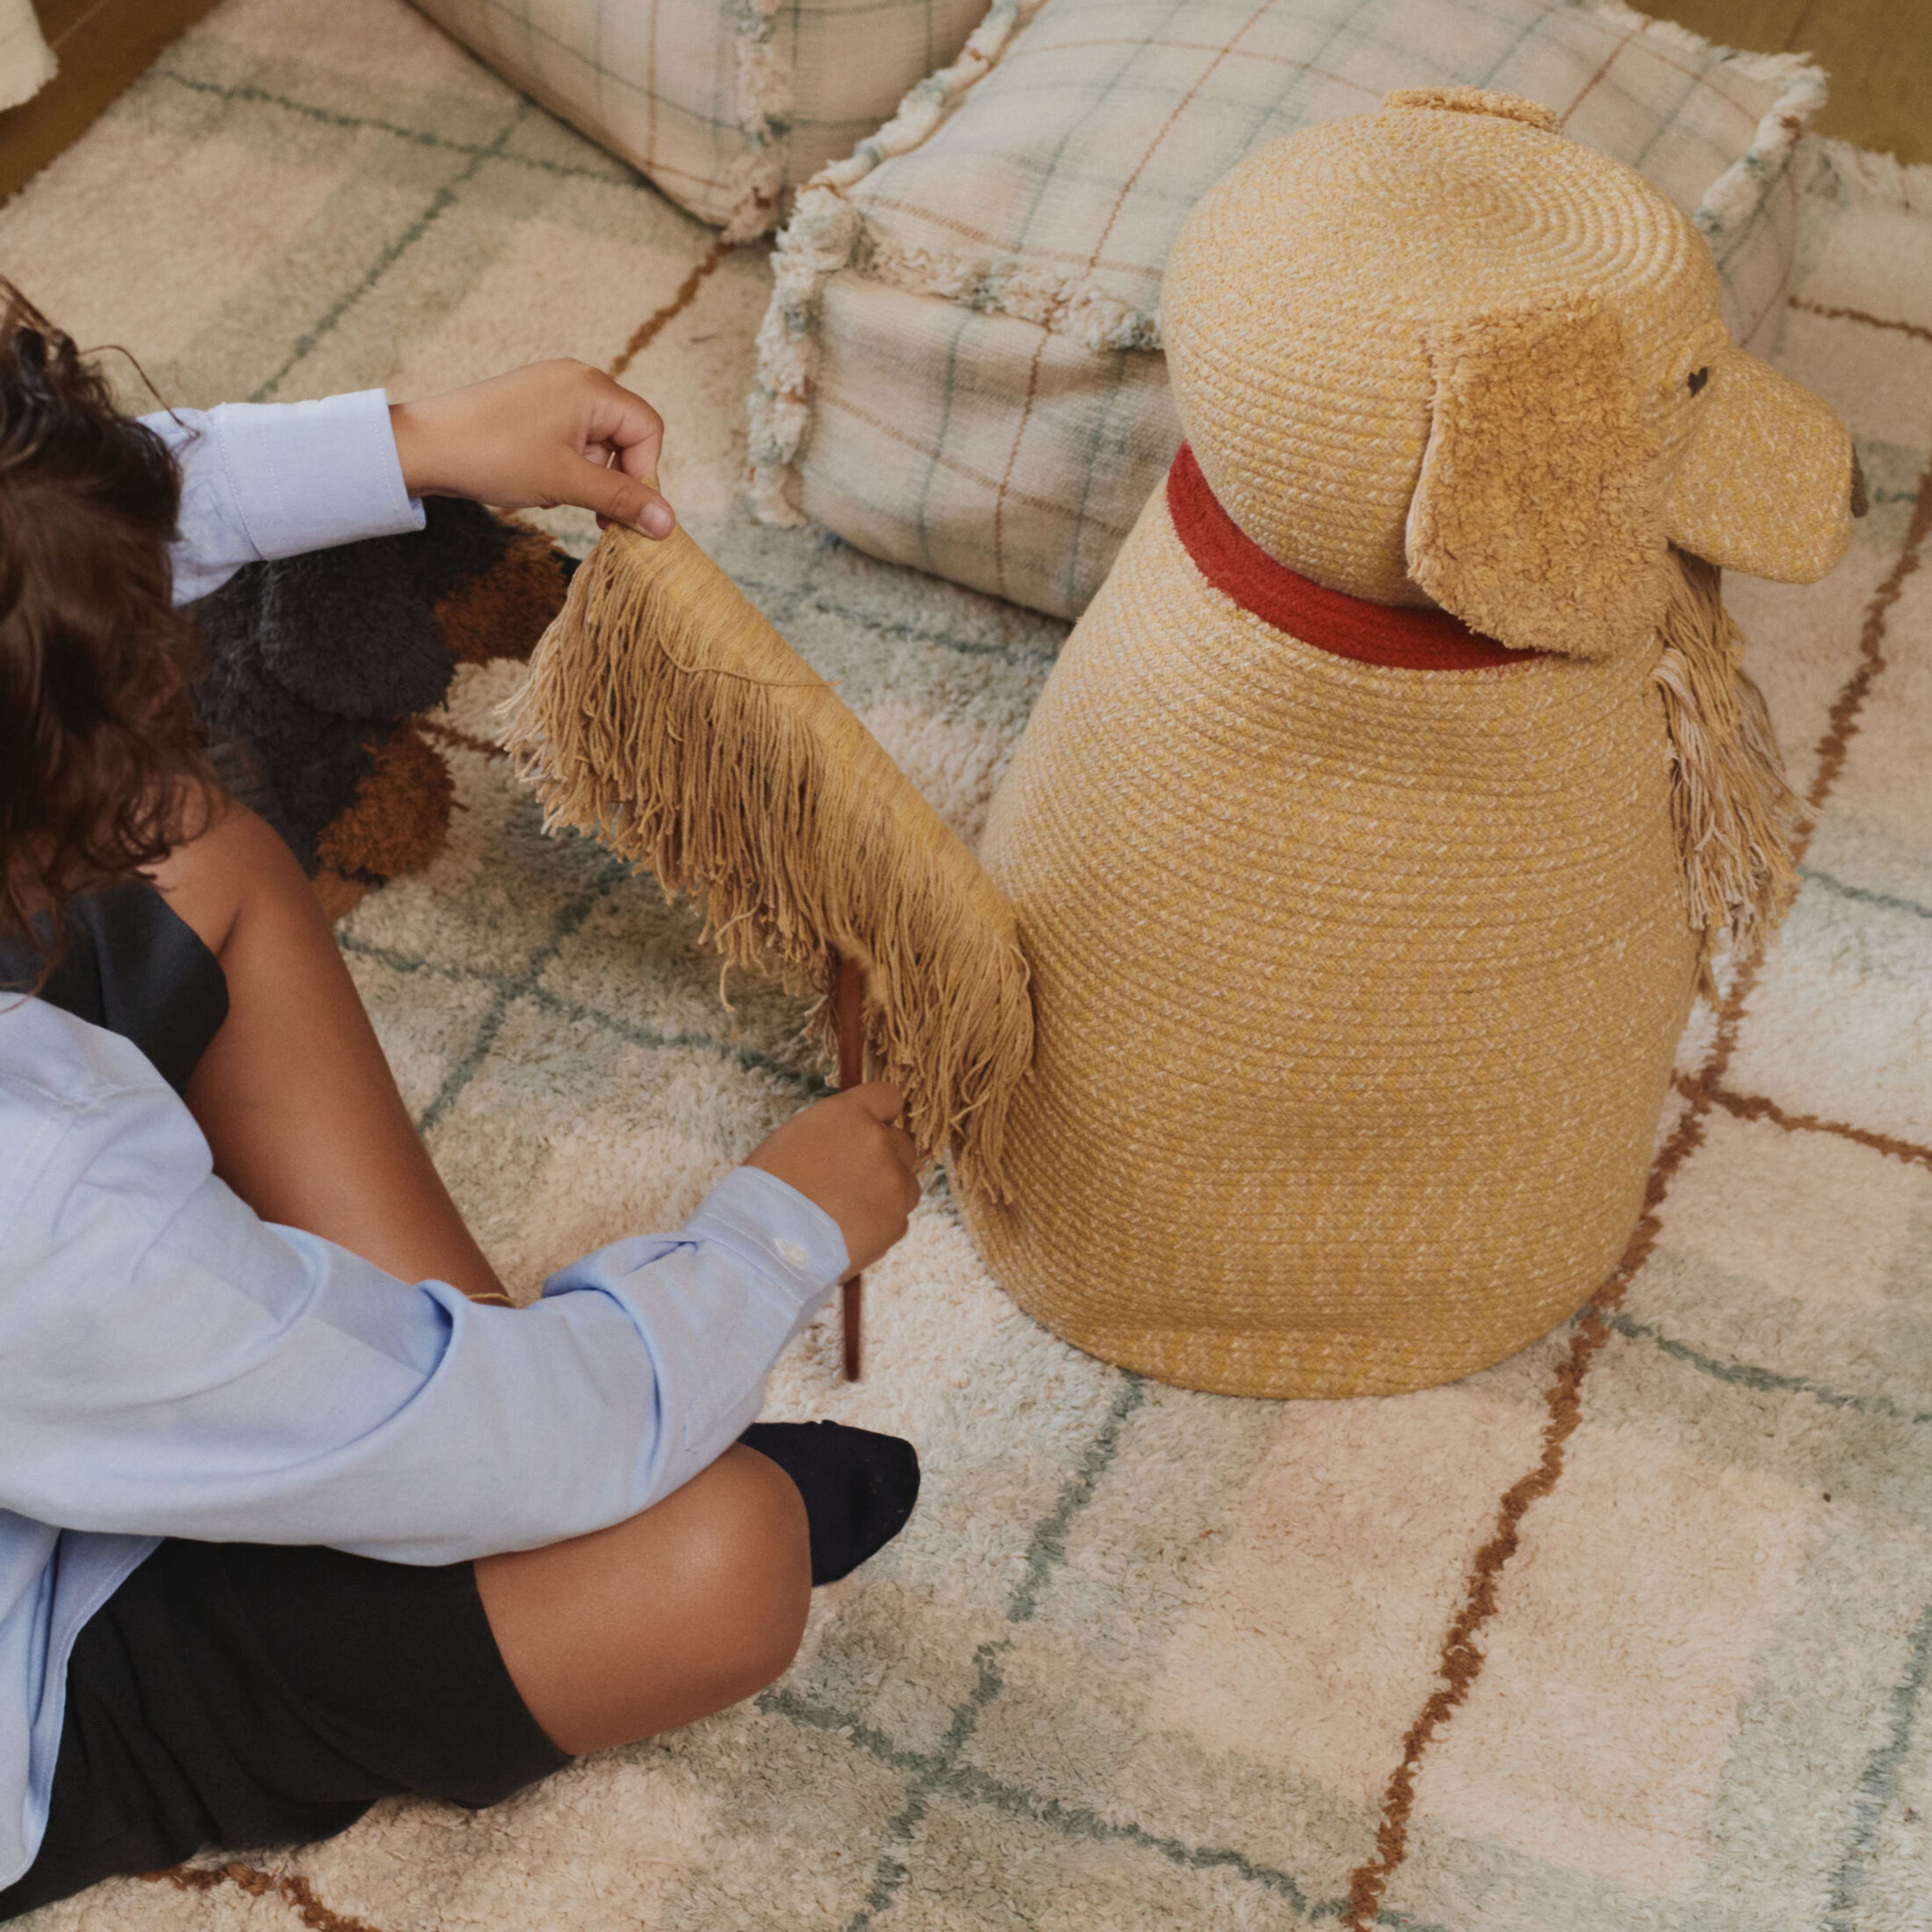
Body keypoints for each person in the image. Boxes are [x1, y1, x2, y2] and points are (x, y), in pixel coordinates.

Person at [0, 285, 923, 1919]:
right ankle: (453, 1458)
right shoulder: (44, 1215)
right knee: (717, 1566)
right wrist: (773, 1236)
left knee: (199, 844)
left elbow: (41, 548)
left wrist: (414, 444)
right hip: (43, 1675)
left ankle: (449, 1432)